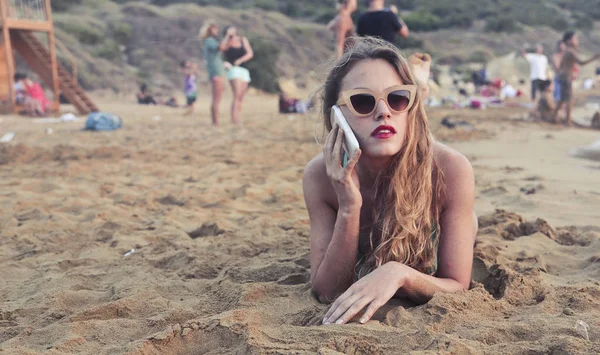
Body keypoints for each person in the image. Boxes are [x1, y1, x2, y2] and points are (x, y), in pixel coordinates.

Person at [303, 37, 477, 325]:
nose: (383, 112)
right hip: (364, 223)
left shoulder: (451, 169)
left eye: (397, 98)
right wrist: (349, 204)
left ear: (410, 107)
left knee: (467, 225)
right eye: (362, 101)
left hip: (435, 228)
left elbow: (458, 283)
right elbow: (326, 290)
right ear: (337, 116)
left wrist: (399, 273)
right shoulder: (320, 176)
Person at [552, 31, 600, 126]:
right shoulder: (570, 51)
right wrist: (594, 58)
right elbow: (581, 62)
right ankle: (567, 120)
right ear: (569, 41)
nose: (577, 41)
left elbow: (562, 65)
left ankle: (554, 116)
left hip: (563, 76)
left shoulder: (567, 51)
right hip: (566, 77)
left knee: (563, 99)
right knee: (569, 99)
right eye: (575, 39)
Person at [220, 26, 254, 125]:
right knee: (237, 94)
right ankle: (234, 119)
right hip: (233, 70)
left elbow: (250, 53)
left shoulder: (243, 40)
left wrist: (241, 60)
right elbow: (222, 48)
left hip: (244, 69)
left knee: (241, 96)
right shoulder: (226, 42)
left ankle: (238, 117)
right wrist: (227, 36)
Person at [200, 21, 226, 125]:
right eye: (215, 29)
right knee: (216, 98)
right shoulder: (209, 40)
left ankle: (216, 121)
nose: (217, 31)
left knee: (217, 98)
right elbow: (222, 47)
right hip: (215, 72)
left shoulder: (211, 41)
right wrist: (228, 36)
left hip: (217, 71)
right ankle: (215, 122)